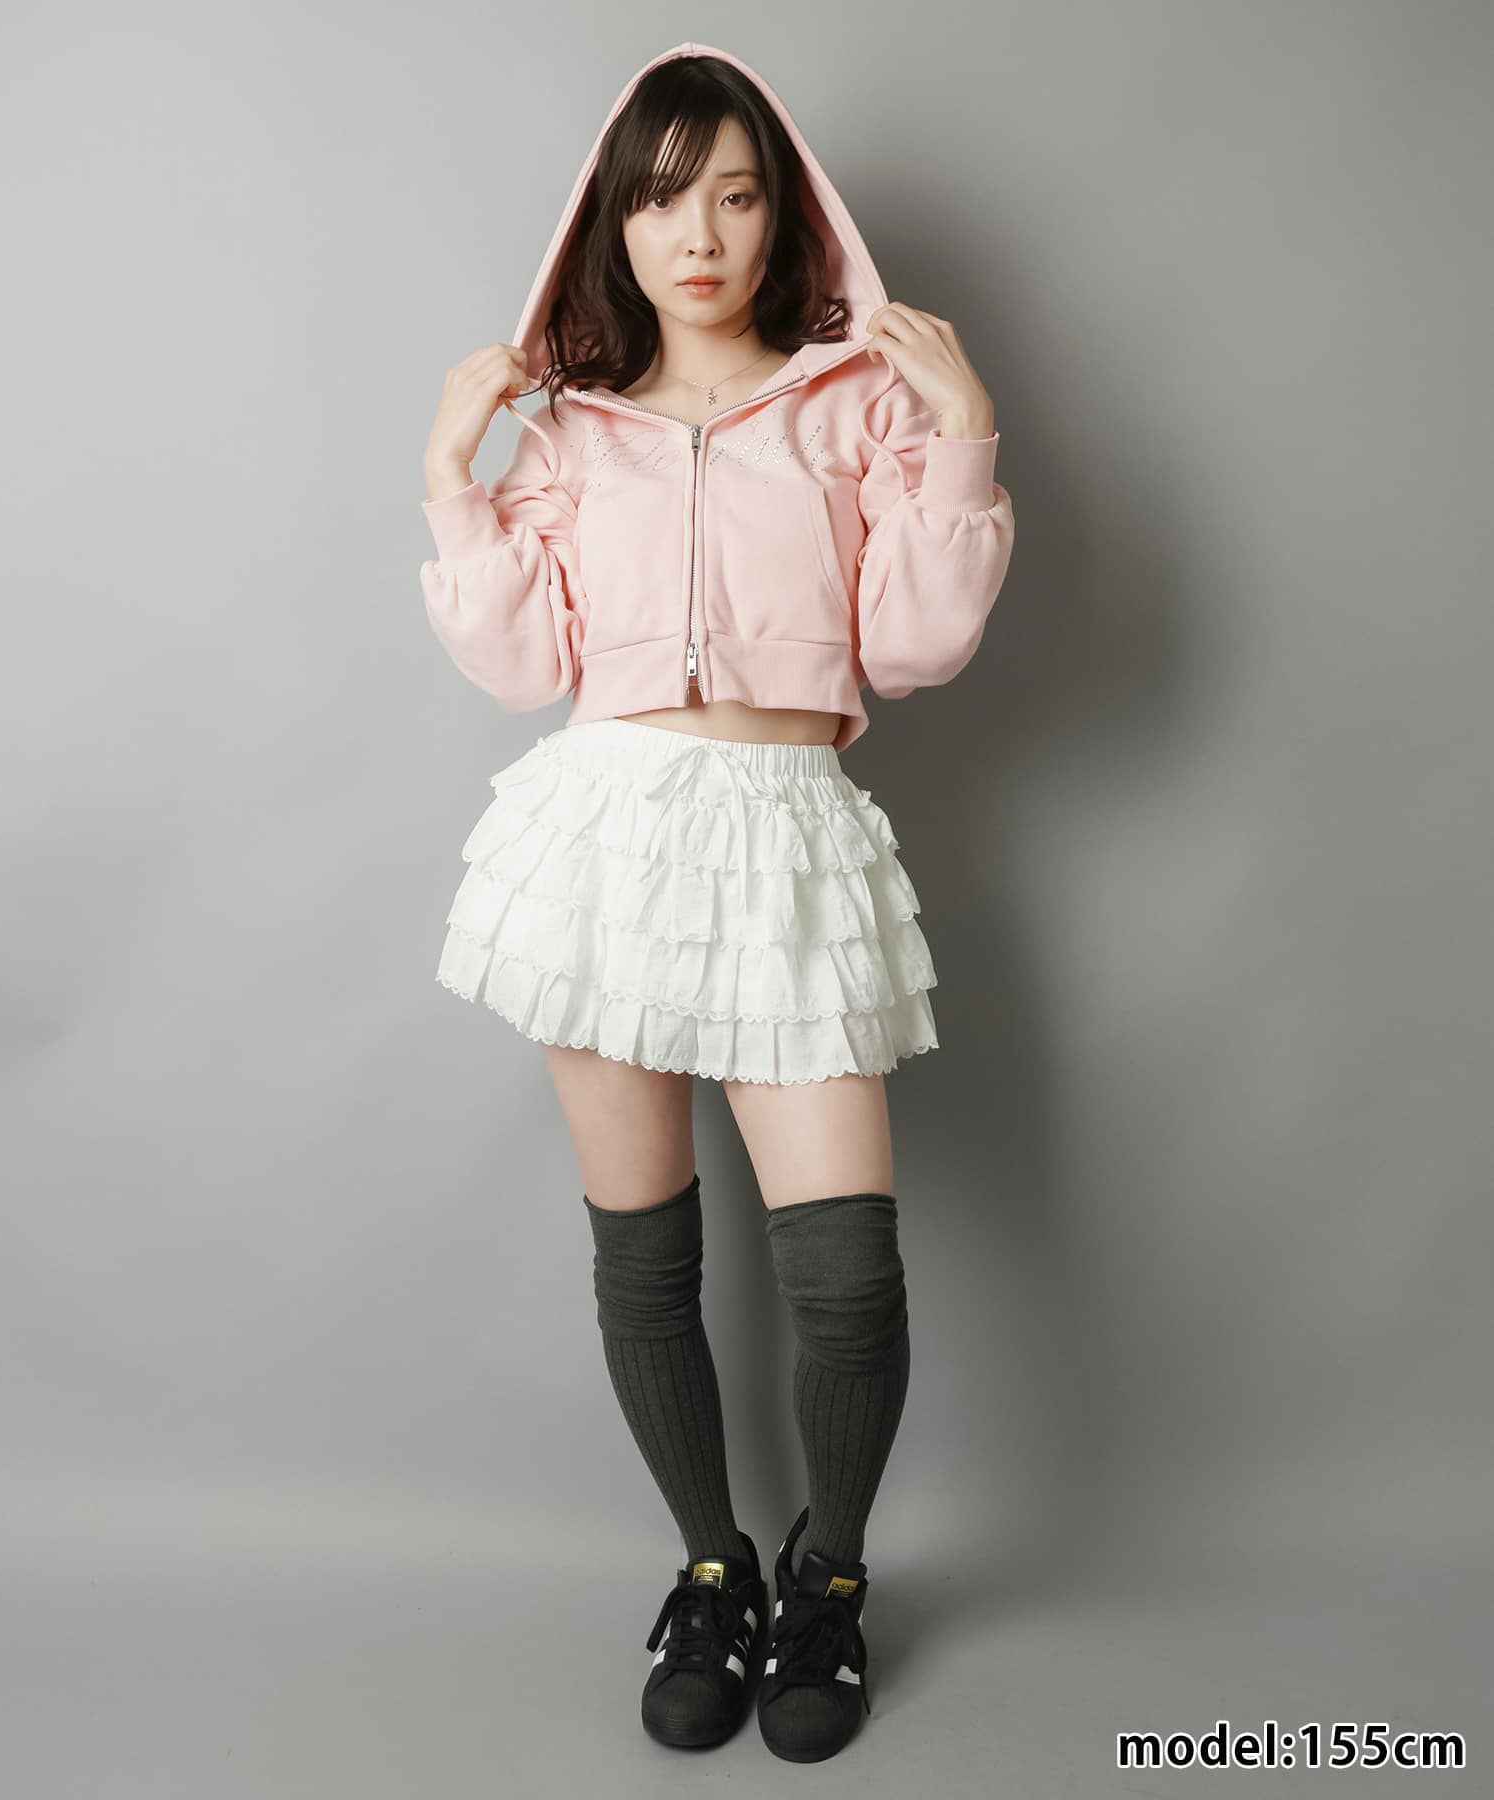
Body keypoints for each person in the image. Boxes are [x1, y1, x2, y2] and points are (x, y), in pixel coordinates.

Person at [417, 41, 1014, 1764]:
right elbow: (520, 663)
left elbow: (914, 645)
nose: (700, 236)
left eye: (737, 197)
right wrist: (455, 473)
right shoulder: (571, 432)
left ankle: (828, 1579)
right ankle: (710, 1569)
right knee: (646, 1256)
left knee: (848, 1276)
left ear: (784, 216)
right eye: (665, 200)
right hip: (605, 835)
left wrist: (964, 439)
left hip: (788, 834)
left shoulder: (854, 407)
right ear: (612, 223)